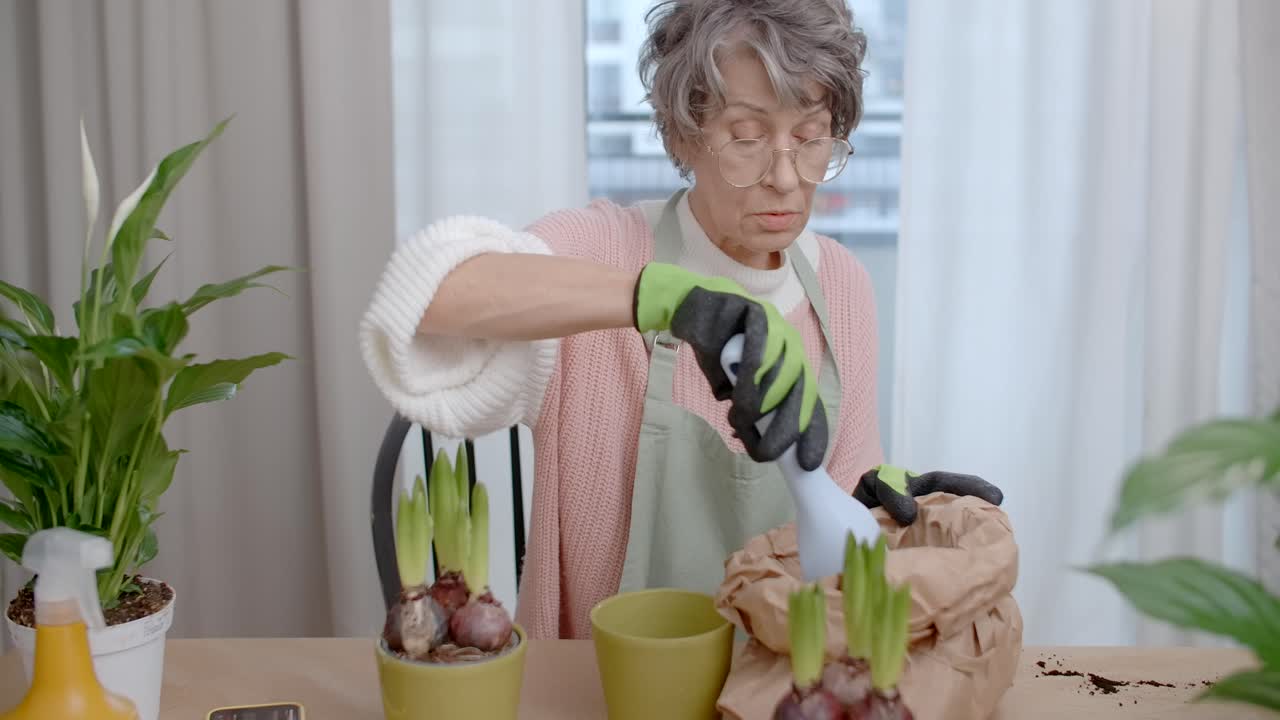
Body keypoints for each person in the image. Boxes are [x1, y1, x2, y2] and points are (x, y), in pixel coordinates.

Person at [359, 0, 1001, 640]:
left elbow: (834, 504)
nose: (784, 176)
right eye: (747, 138)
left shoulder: (840, 286)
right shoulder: (605, 251)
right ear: (679, 133)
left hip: (779, 685)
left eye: (810, 139)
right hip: (606, 685)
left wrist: (873, 510)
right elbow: (425, 301)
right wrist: (661, 299)